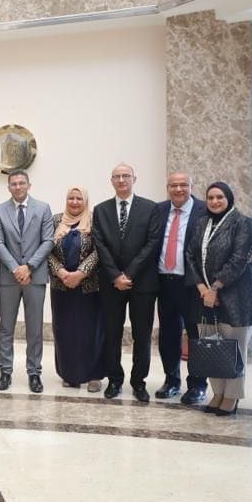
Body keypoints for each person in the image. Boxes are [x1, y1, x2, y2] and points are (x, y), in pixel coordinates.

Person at [185, 182, 252, 417]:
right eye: (211, 198)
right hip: (204, 298)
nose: (215, 201)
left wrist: (215, 288)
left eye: (220, 197)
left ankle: (232, 396)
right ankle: (217, 392)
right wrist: (202, 289)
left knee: (234, 349)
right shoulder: (201, 223)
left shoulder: (242, 223)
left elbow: (238, 259)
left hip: (236, 298)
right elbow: (189, 256)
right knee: (211, 347)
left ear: (229, 199)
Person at [91, 164, 162, 401]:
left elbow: (152, 243)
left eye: (126, 176)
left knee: (142, 335)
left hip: (142, 283)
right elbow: (100, 244)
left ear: (134, 179)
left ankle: (139, 382)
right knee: (112, 333)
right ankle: (114, 380)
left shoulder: (150, 208)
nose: (121, 180)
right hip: (111, 284)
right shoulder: (101, 210)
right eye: (117, 177)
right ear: (111, 181)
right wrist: (115, 275)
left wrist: (128, 274)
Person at [0, 170, 54, 393]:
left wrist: (29, 266)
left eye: (21, 183)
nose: (18, 187)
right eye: (14, 184)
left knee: (34, 327)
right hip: (9, 278)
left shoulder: (43, 208)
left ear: (29, 185)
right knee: (6, 326)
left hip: (35, 277)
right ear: (8, 187)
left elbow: (48, 241)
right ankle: (5, 371)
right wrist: (16, 268)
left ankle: (34, 372)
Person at [154, 173, 208, 403]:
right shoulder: (159, 210)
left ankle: (197, 385)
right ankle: (171, 380)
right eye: (173, 185)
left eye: (183, 185)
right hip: (164, 282)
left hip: (193, 284)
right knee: (168, 334)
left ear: (191, 186)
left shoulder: (204, 210)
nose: (178, 189)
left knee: (195, 335)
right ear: (167, 187)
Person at [47, 187, 103, 392]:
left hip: (89, 287)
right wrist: (61, 272)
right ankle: (69, 374)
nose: (75, 201)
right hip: (61, 287)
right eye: (71, 197)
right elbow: (46, 250)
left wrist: (81, 273)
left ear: (85, 201)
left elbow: (100, 250)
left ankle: (94, 375)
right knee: (65, 331)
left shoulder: (95, 220)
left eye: (79, 198)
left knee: (91, 331)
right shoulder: (55, 220)